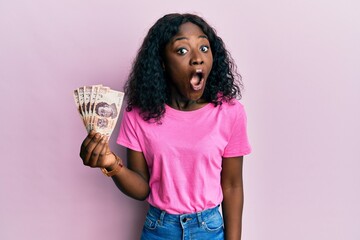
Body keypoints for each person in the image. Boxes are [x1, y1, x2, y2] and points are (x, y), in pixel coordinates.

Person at [79, 13, 251, 240]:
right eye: (182, 50)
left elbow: (231, 186)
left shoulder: (229, 112)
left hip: (209, 229)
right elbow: (142, 188)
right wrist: (111, 164)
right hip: (159, 229)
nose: (197, 58)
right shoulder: (139, 113)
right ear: (162, 62)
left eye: (204, 48)